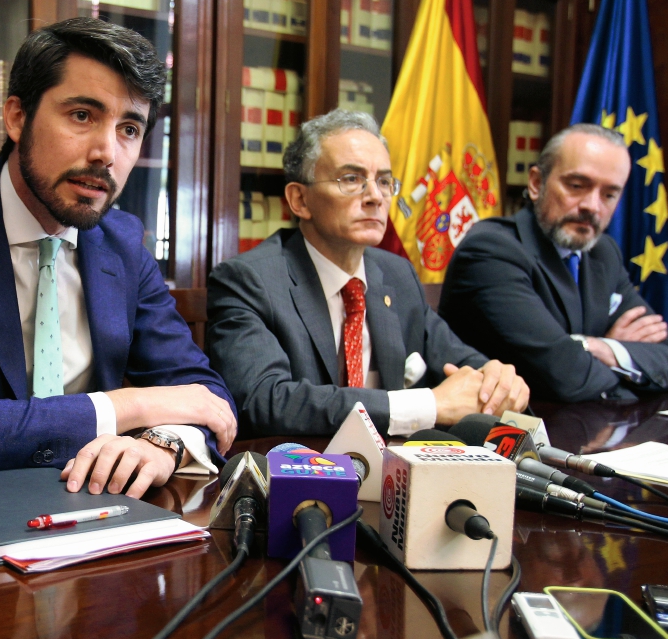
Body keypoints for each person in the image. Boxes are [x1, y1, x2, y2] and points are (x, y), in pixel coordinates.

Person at [0, 17, 236, 498]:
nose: (106, 153)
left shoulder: (121, 240)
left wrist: (162, 443)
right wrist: (130, 407)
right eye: (81, 116)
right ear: (16, 117)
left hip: (84, 512)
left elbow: (206, 396)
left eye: (129, 129)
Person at [207, 109, 529, 437]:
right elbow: (265, 401)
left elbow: (460, 362)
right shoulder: (249, 281)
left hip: (392, 476)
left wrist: (498, 380)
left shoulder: (396, 274)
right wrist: (428, 405)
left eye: (385, 181)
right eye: (351, 180)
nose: (375, 197)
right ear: (300, 199)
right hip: (298, 475)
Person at [439, 123, 668, 402]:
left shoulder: (603, 253)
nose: (592, 205)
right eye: (577, 186)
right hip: (500, 436)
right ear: (536, 183)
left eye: (609, 194)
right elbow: (566, 377)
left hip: (587, 429)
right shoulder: (491, 250)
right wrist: (619, 358)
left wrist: (600, 347)